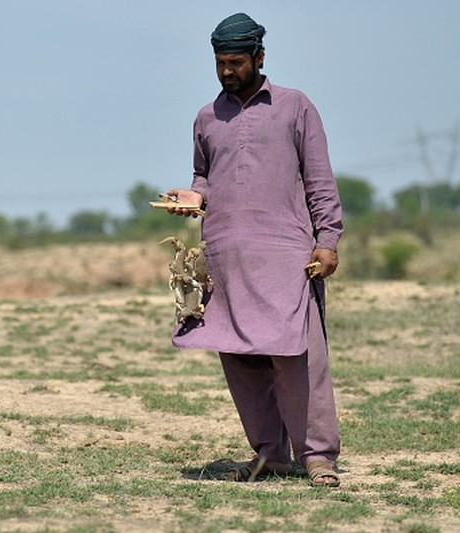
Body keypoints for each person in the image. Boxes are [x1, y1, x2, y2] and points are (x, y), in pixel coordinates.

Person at [165, 12, 343, 487]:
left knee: (297, 358)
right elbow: (204, 173)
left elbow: (320, 181)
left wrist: (327, 240)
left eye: (237, 62)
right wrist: (194, 195)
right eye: (221, 62)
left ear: (260, 58)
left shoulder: (295, 107)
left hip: (287, 256)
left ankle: (319, 456)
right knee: (239, 356)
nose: (227, 71)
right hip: (225, 256)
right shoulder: (206, 116)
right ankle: (270, 453)